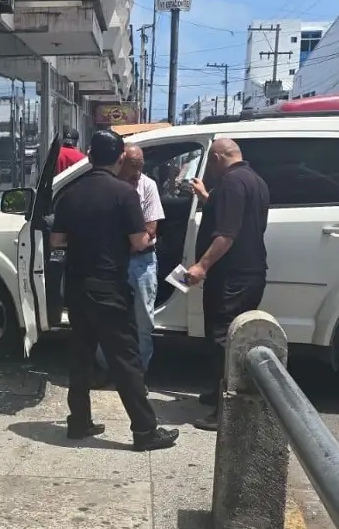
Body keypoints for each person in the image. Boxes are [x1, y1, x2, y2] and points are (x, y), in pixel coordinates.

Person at [50, 130, 179, 452]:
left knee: (81, 356)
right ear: (120, 157)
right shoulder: (124, 193)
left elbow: (56, 242)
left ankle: (78, 422)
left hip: (77, 285)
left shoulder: (69, 193)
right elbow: (139, 241)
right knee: (126, 360)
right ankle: (145, 431)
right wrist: (149, 240)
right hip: (109, 288)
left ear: (89, 154)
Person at [185, 138, 270, 432]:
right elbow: (235, 216)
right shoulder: (254, 180)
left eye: (210, 161)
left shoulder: (233, 183)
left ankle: (226, 410)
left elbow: (227, 234)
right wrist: (207, 197)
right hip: (249, 272)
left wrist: (201, 265)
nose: (210, 167)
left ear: (219, 157)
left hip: (232, 276)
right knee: (232, 336)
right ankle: (215, 393)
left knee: (223, 340)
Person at [93, 144, 164, 383]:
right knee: (108, 318)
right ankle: (106, 368)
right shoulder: (110, 186)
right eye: (133, 165)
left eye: (140, 166)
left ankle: (139, 372)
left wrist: (125, 243)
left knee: (143, 320)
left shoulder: (148, 185)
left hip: (141, 262)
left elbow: (151, 230)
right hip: (114, 262)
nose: (137, 171)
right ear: (121, 161)